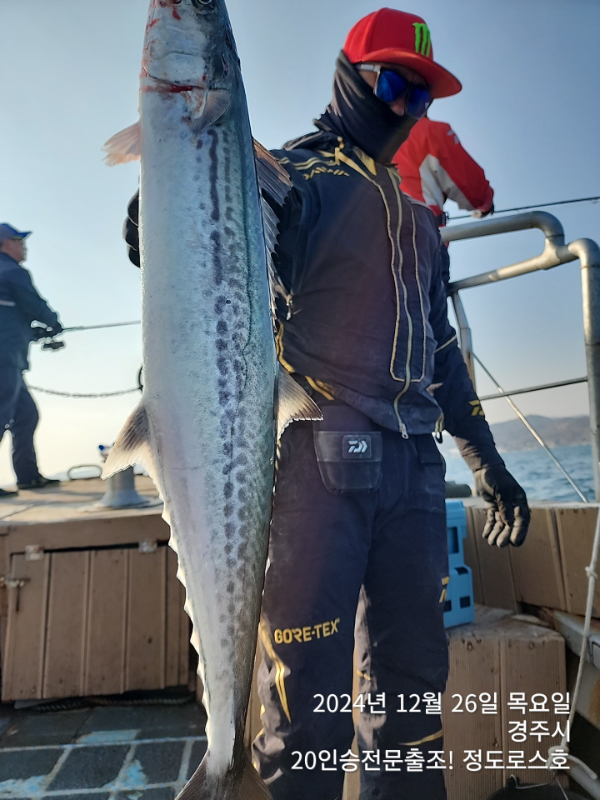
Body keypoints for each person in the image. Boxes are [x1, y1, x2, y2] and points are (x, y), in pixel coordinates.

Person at [124, 9, 530, 799]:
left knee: (413, 693)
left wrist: (488, 462)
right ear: (349, 79)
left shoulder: (419, 221)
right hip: (316, 466)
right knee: (306, 707)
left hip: (414, 476)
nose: (404, 108)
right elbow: (231, 228)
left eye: (420, 98)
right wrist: (164, 214)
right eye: (393, 85)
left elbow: (443, 352)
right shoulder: (293, 175)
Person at [393, 114, 495, 287]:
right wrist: (486, 205)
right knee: (424, 303)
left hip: (367, 247)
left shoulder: (362, 135)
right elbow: (474, 190)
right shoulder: (429, 131)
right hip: (421, 244)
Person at [0, 224, 63, 495]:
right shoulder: (11, 271)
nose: (23, 246)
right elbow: (34, 305)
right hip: (5, 359)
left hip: (9, 357)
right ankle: (27, 476)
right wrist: (53, 323)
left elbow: (11, 316)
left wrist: (34, 332)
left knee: (26, 415)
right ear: (5, 243)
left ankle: (27, 477)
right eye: (19, 240)